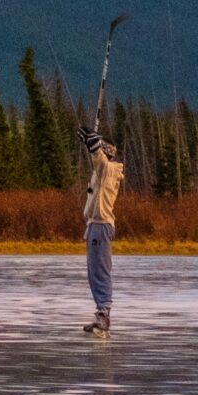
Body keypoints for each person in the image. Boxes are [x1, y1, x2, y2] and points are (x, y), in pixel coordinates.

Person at [81, 128, 124, 336]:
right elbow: (97, 162)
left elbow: (100, 161)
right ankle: (101, 312)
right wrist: (91, 146)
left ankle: (104, 314)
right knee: (93, 273)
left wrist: (93, 147)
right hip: (94, 227)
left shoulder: (108, 170)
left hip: (101, 226)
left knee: (100, 271)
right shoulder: (100, 173)